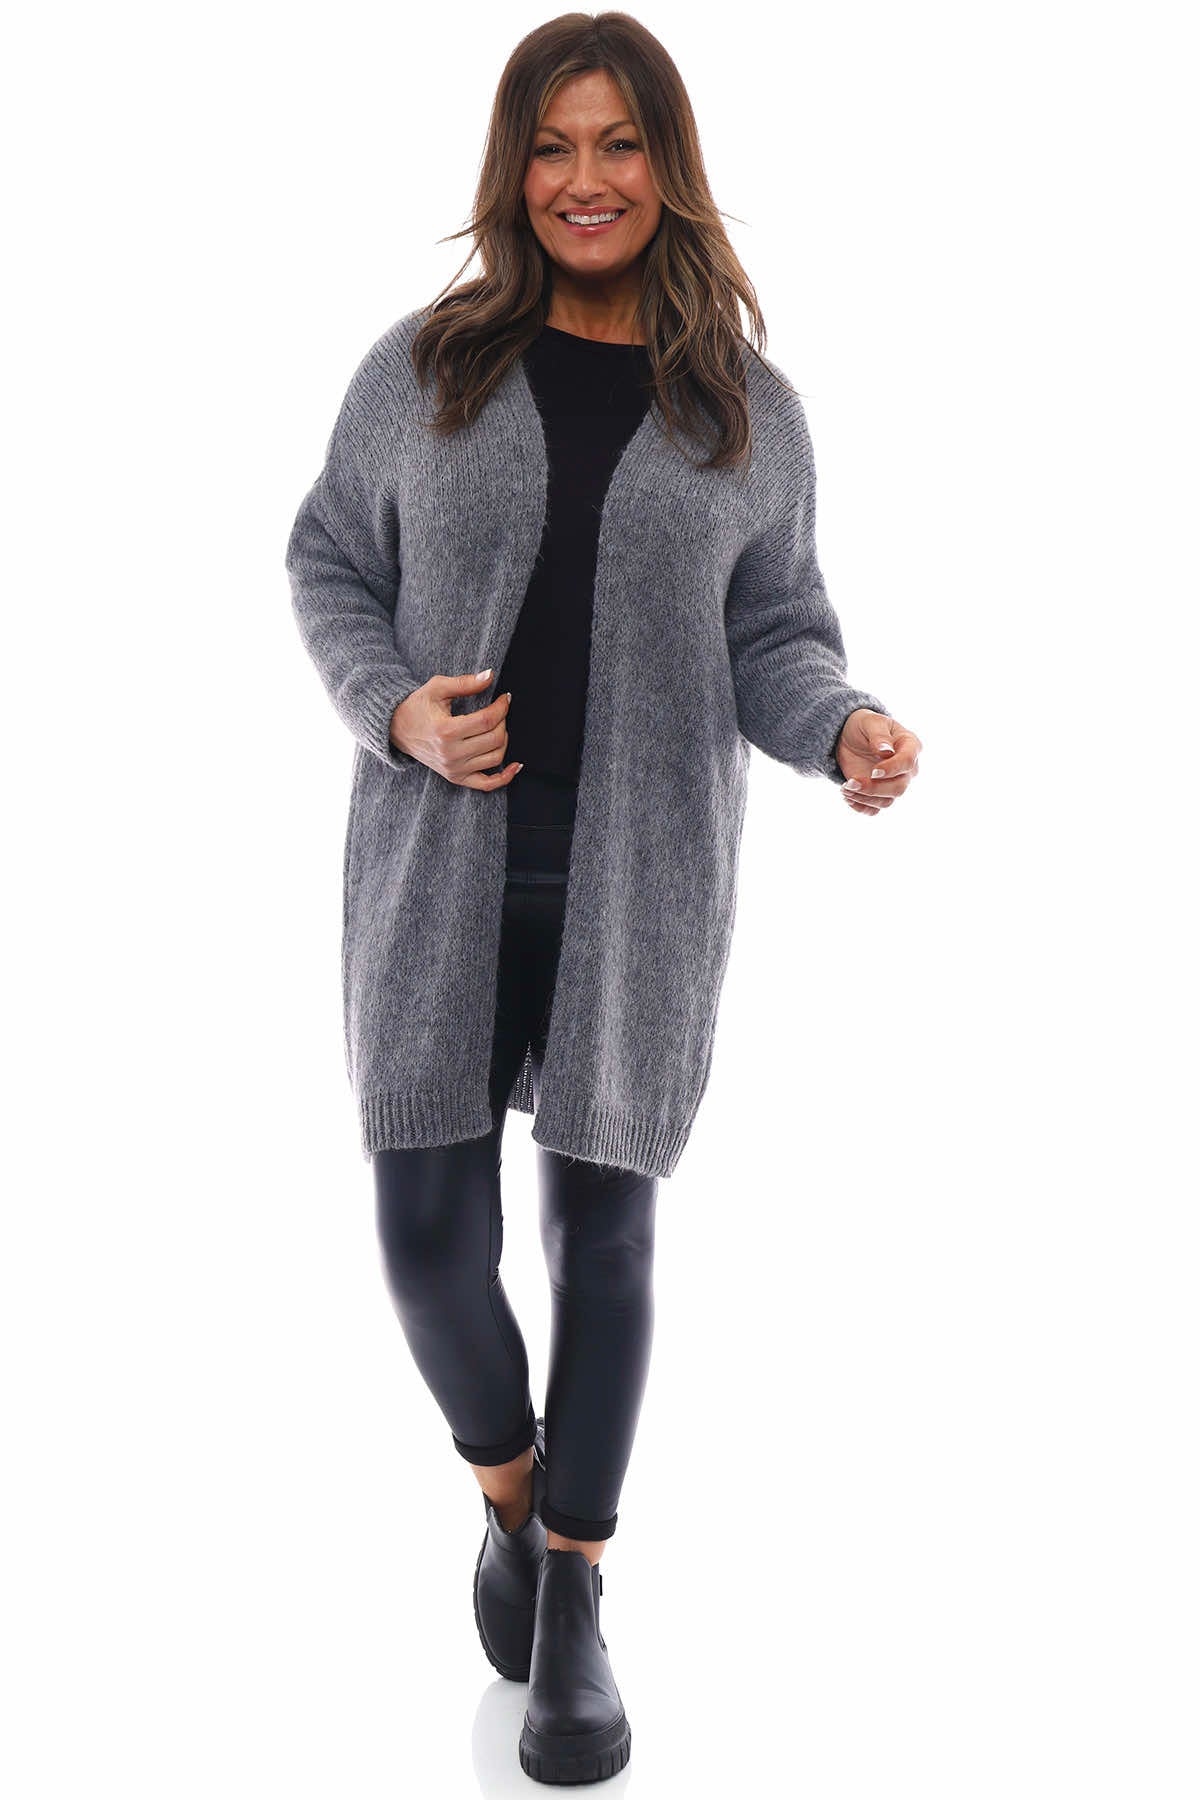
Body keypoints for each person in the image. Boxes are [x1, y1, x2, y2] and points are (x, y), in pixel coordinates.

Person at [285, 14, 922, 1786]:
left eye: (621, 143)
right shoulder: (426, 368)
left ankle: (574, 1593)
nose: (587, 179)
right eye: (554, 146)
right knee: (427, 1243)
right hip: (437, 869)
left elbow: (776, 633)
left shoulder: (746, 415)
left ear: (669, 167)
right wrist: (397, 708)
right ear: (515, 170)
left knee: (606, 1239)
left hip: (641, 881)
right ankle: (510, 1494)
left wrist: (844, 725)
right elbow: (329, 558)